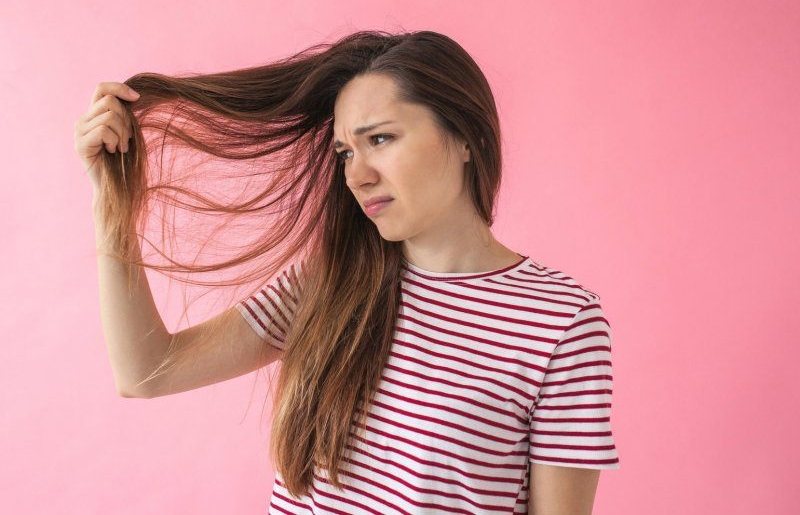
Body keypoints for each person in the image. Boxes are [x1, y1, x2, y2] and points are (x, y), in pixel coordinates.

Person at [74, 30, 619, 514]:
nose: (356, 175)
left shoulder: (560, 321)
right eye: (343, 152)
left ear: (464, 137)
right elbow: (147, 371)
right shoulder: (327, 285)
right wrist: (112, 202)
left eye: (380, 139)